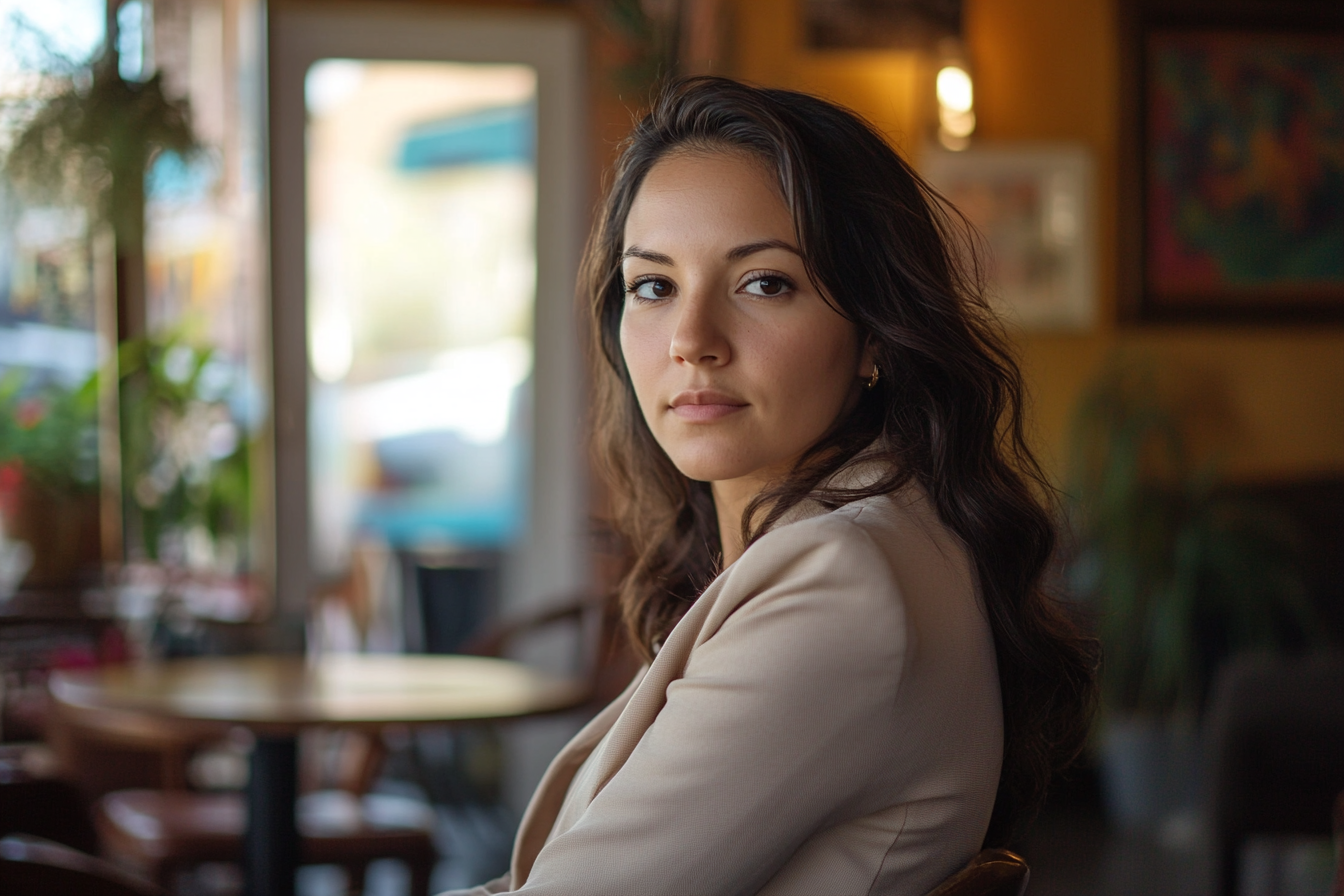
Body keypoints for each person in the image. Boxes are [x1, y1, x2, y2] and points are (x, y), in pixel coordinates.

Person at [445, 76, 1097, 896]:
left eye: (764, 282)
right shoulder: (880, 540)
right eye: (654, 285)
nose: (691, 339)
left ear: (876, 335)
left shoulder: (840, 585)